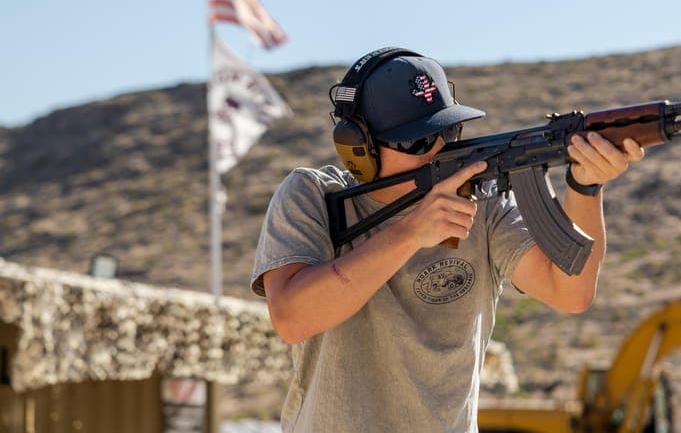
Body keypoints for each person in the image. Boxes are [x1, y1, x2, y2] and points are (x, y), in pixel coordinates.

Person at [251, 47, 645, 433]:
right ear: (358, 149)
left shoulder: (484, 202)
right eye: (417, 143)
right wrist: (410, 233)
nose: (439, 151)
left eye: (448, 131)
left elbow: (569, 291)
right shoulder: (311, 196)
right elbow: (292, 317)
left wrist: (586, 187)